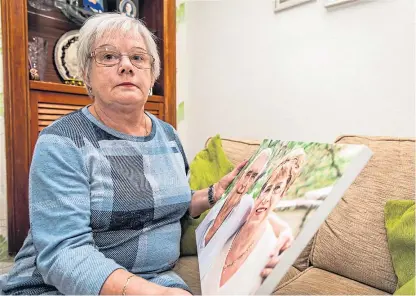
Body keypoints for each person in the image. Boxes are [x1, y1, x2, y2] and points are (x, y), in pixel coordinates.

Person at [0, 13, 246, 296]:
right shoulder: (62, 141)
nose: (126, 66)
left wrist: (213, 193)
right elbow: (64, 254)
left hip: (154, 277)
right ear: (86, 74)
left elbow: (164, 205)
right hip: (59, 286)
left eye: (138, 58)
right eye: (108, 56)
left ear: (152, 75)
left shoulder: (167, 135)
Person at [201, 149, 306, 295]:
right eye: (265, 189)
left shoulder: (272, 251)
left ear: (283, 194)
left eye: (276, 189)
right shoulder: (232, 219)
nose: (266, 198)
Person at [195, 148, 271, 278]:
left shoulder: (247, 204)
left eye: (254, 177)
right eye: (247, 174)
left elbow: (266, 219)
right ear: (239, 172)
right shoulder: (220, 196)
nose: (245, 184)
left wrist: (285, 230)